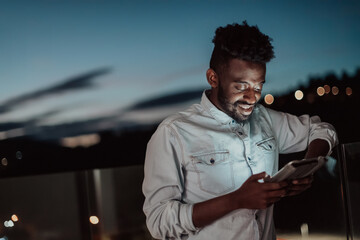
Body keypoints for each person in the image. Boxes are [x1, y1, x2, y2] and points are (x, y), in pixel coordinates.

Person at [142, 21, 338, 240]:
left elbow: (322, 129)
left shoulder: (264, 118)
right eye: (241, 86)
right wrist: (235, 200)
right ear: (213, 78)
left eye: (258, 87)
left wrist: (307, 168)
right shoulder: (173, 133)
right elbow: (159, 222)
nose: (251, 97)